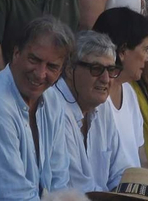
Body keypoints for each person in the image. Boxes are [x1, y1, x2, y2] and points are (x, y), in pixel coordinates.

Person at [0, 14, 77, 201]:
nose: (40, 73)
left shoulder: (52, 100)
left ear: (61, 71)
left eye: (52, 66)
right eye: (34, 60)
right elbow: (12, 195)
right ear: (16, 53)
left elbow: (59, 184)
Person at [56, 30, 132, 192]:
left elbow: (121, 172)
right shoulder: (54, 107)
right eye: (96, 69)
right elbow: (76, 188)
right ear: (70, 69)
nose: (105, 79)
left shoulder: (101, 104)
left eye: (111, 70)